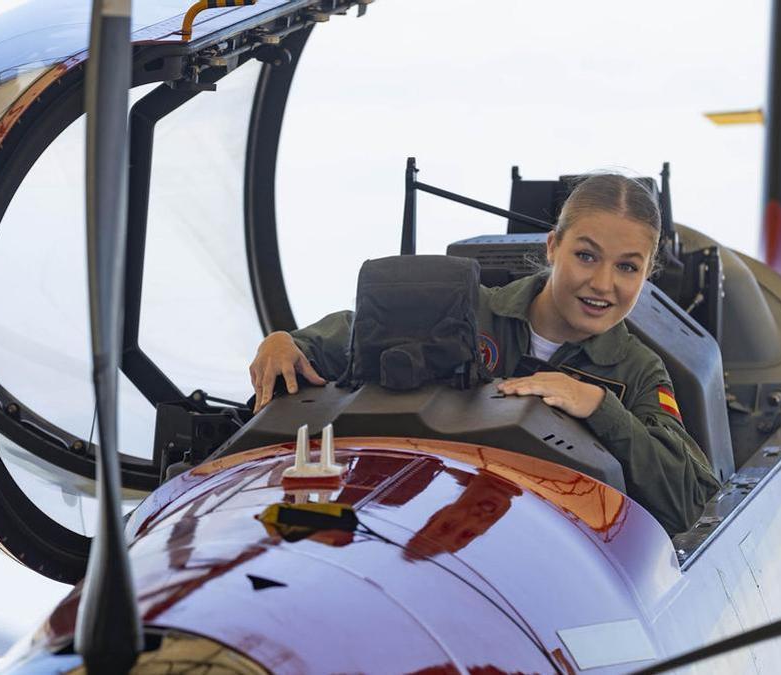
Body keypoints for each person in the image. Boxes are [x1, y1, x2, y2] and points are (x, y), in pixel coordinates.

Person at [247, 173, 720, 535]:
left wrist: (598, 406)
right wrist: (285, 342)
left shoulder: (637, 371)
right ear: (553, 246)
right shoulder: (463, 311)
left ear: (647, 274)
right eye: (586, 255)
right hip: (423, 520)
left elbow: (684, 500)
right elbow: (346, 340)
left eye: (627, 267)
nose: (602, 284)